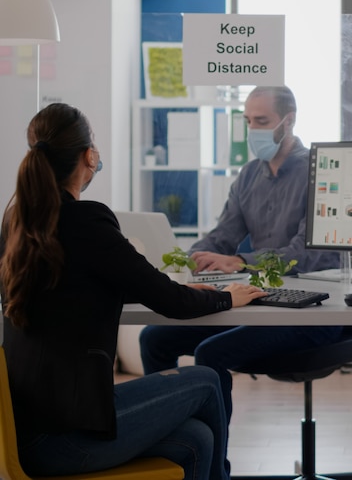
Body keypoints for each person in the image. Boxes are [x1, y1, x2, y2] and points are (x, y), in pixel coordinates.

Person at [0, 102, 268, 480]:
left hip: (30, 433)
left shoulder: (17, 223)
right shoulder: (86, 220)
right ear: (89, 156)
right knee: (206, 379)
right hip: (65, 436)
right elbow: (170, 302)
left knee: (197, 439)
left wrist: (162, 288)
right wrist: (228, 296)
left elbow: (69, 289)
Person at [140, 85, 343, 424]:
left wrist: (240, 262)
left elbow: (311, 255)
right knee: (154, 338)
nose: (253, 130)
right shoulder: (249, 175)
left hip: (310, 312)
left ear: (288, 121)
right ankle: (173, 441)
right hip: (263, 302)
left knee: (211, 352)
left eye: (261, 120)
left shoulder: (321, 172)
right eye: (248, 121)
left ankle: (213, 465)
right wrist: (194, 259)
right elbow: (224, 235)